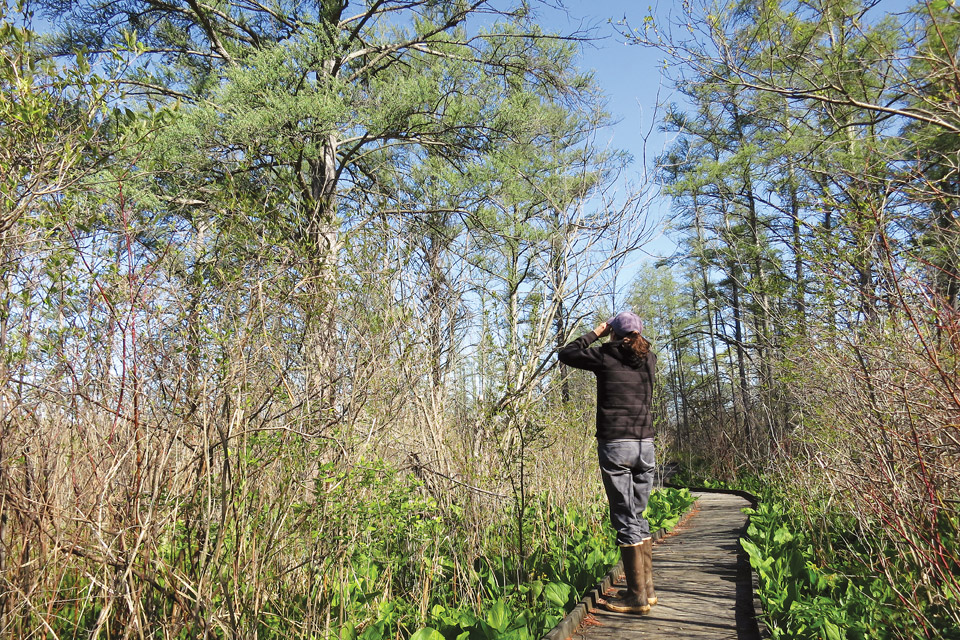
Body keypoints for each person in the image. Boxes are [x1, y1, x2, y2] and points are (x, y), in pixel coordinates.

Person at [558, 311, 658, 615]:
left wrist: (595, 333)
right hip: (646, 446)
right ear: (639, 334)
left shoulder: (605, 355)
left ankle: (636, 597)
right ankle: (648, 592)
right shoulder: (650, 359)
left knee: (625, 518)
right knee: (638, 515)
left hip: (617, 444)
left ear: (612, 332)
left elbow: (567, 354)